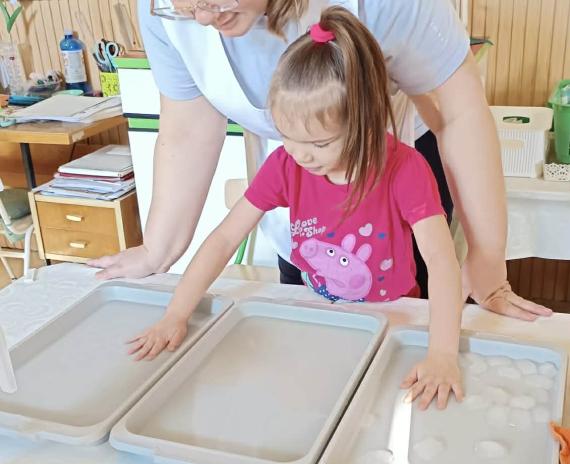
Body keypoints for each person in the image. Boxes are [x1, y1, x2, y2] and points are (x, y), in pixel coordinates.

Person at [89, 0, 551, 323]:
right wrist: (157, 249)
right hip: (308, 196)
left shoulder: (393, 9)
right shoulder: (291, 162)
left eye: (216, 1)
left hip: (394, 173)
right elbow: (187, 130)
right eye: (188, 7)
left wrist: (487, 256)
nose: (204, 17)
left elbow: (458, 113)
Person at [129, 8, 465, 411]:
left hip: (393, 323)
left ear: (366, 122)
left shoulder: (405, 169)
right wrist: (176, 313)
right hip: (318, 321)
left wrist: (442, 354)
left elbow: (441, 262)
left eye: (320, 144)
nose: (302, 155)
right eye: (287, 136)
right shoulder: (287, 164)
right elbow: (224, 239)